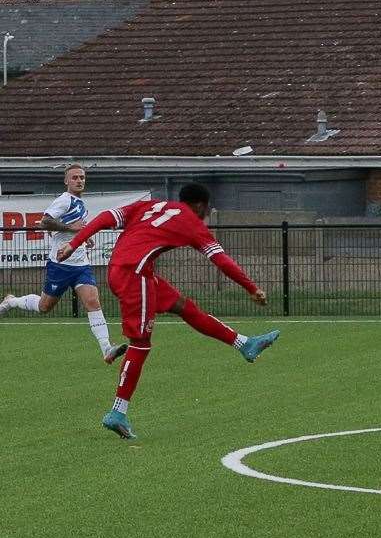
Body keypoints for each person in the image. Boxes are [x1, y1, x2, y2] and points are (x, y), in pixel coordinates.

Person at [56, 183, 280, 440]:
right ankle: (117, 412)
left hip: (125, 268)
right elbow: (221, 259)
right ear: (200, 205)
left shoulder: (150, 206)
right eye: (206, 209)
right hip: (134, 274)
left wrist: (74, 244)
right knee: (140, 343)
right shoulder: (192, 222)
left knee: (184, 306)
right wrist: (251, 288)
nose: (206, 214)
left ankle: (244, 344)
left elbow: (107, 217)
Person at [0, 164, 126, 364]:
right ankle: (12, 300)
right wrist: (71, 228)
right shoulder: (64, 200)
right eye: (75, 177)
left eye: (82, 177)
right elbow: (45, 222)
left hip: (81, 264)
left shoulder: (80, 202)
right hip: (60, 264)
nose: (79, 180)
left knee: (92, 301)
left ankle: (107, 348)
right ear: (66, 181)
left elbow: (76, 228)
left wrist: (84, 237)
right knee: (44, 307)